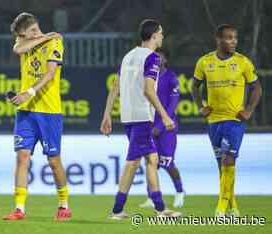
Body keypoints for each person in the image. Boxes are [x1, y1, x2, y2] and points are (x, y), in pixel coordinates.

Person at [100, 19, 181, 219]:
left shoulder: (128, 56)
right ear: (154, 35)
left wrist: (107, 114)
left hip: (128, 117)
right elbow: (148, 90)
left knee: (151, 160)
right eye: (161, 33)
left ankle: (158, 207)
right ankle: (120, 210)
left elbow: (115, 87)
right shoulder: (152, 58)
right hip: (143, 118)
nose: (162, 36)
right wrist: (164, 116)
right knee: (132, 162)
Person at [3, 12, 71, 221]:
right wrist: (43, 36)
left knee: (53, 161)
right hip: (26, 111)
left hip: (49, 111)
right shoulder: (28, 40)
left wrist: (28, 93)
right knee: (22, 157)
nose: (33, 34)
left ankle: (63, 205)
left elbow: (50, 74)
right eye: (28, 33)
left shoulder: (55, 42)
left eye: (35, 30)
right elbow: (18, 48)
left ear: (36, 26)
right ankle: (19, 209)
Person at [192, 24, 262, 217]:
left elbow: (257, 88)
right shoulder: (205, 62)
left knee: (228, 159)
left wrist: (248, 110)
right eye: (229, 38)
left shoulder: (243, 62)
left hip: (234, 121)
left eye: (235, 38)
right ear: (219, 39)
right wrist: (200, 106)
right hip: (214, 121)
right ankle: (233, 206)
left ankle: (221, 207)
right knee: (221, 165)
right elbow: (194, 86)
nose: (234, 41)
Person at [139, 49, 185, 209]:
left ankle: (180, 191)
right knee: (151, 163)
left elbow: (173, 105)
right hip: (150, 127)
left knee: (167, 163)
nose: (157, 60)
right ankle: (151, 197)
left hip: (167, 128)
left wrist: (161, 125)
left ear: (165, 60)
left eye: (160, 57)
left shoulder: (171, 77)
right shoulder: (148, 78)